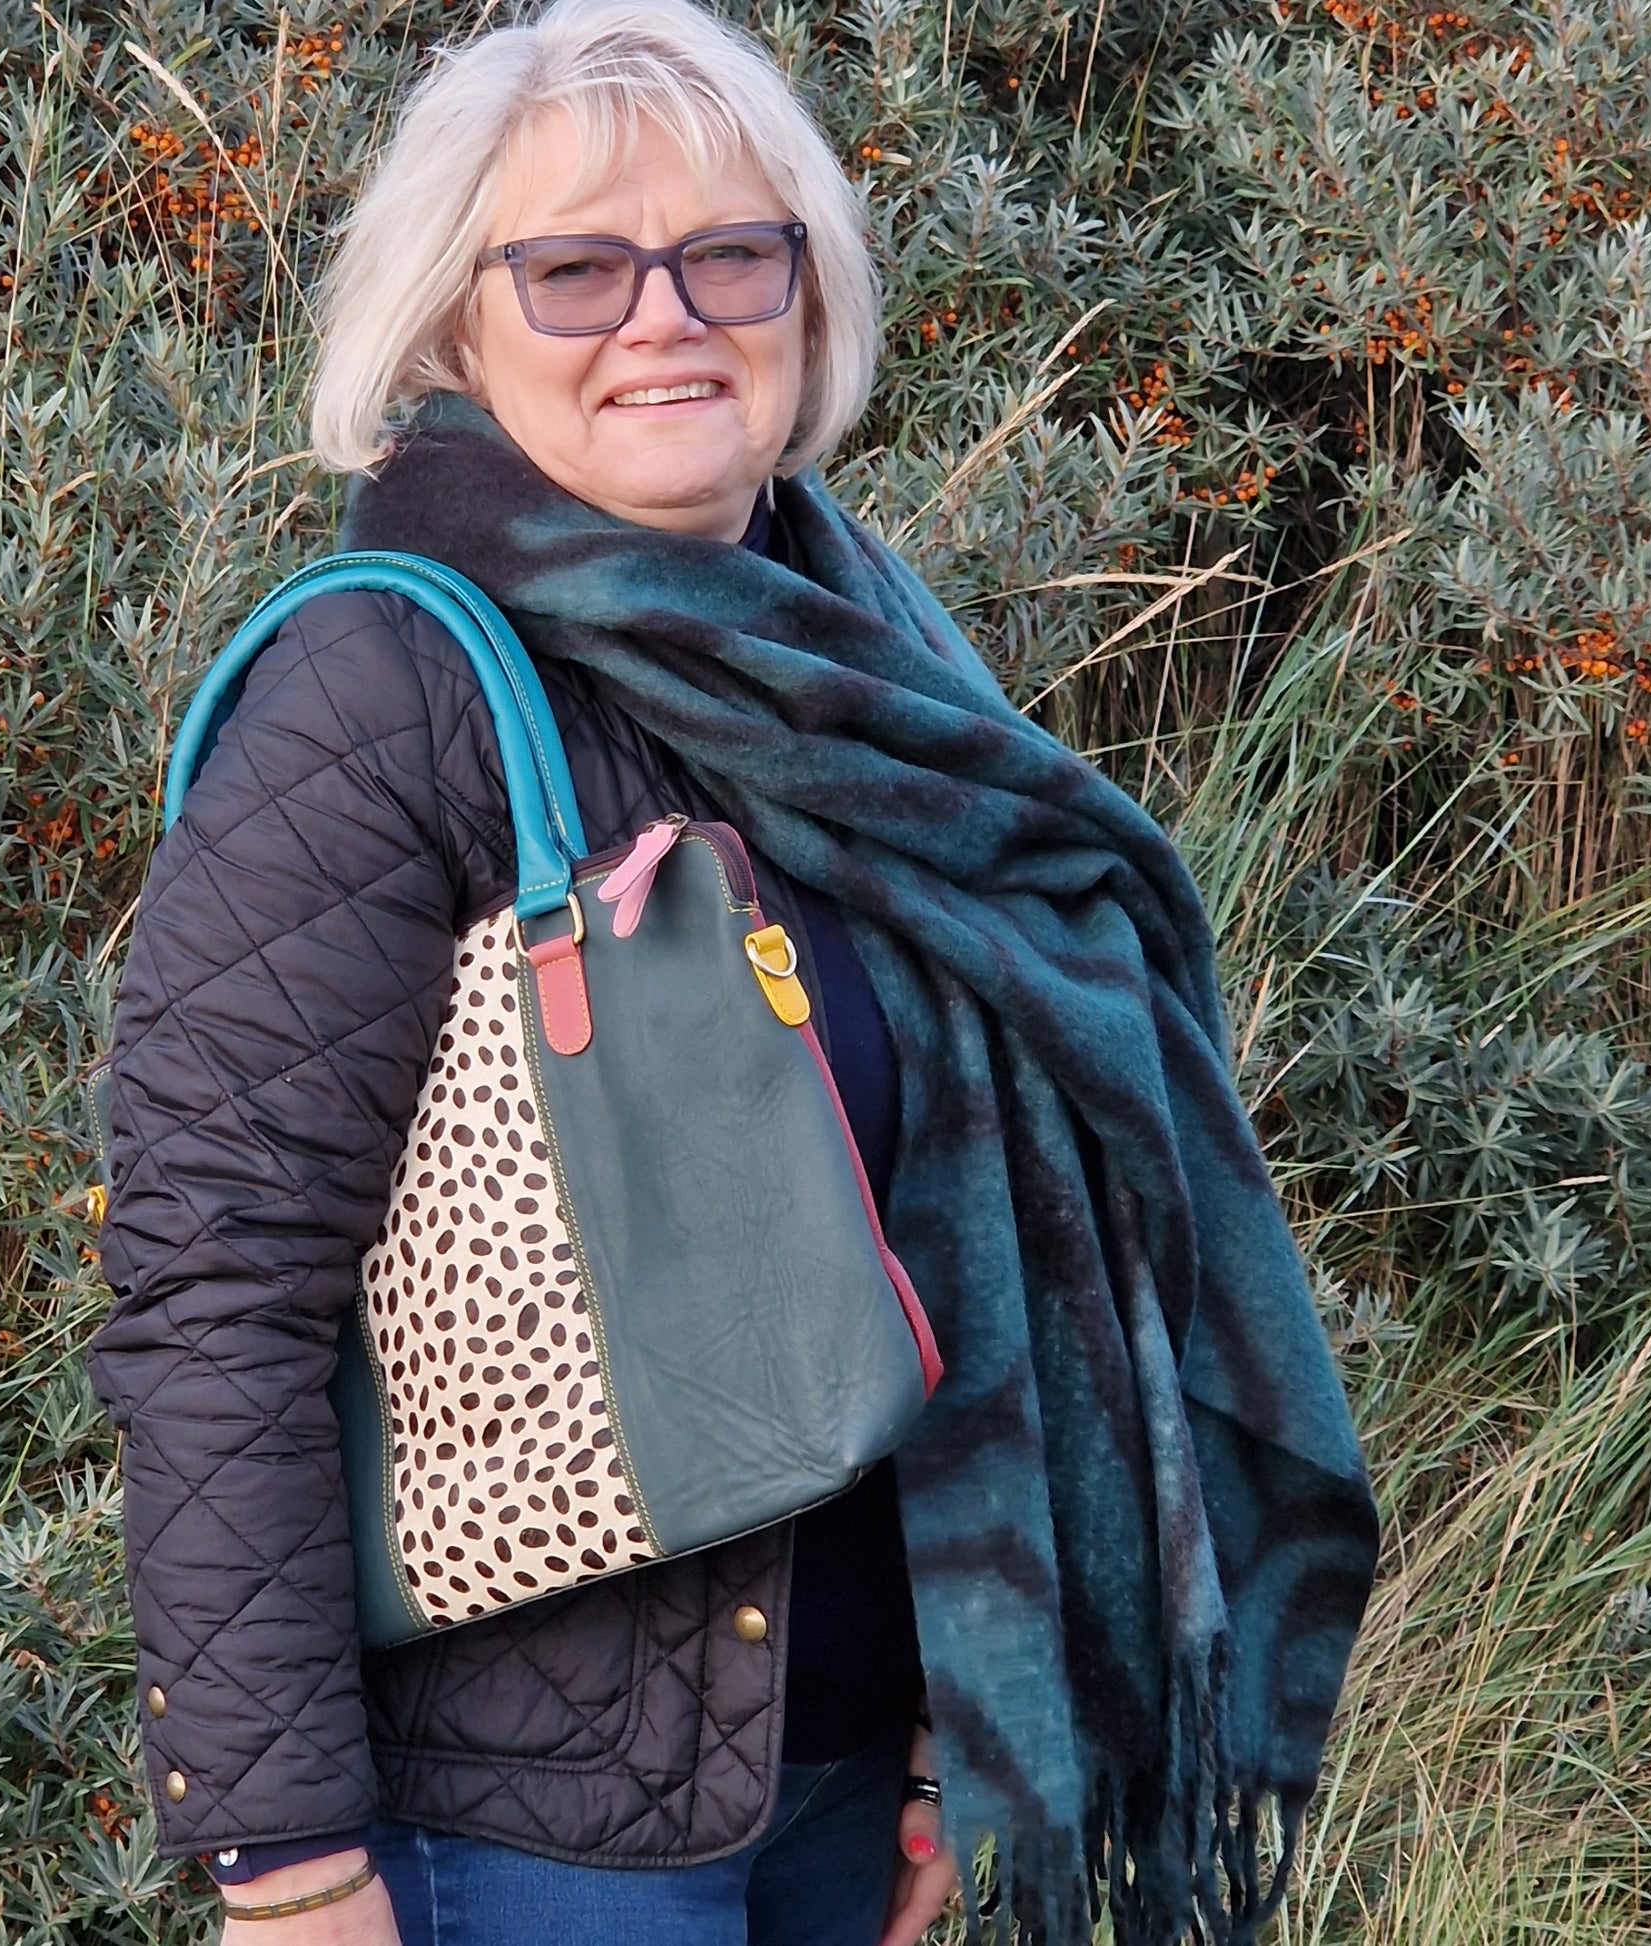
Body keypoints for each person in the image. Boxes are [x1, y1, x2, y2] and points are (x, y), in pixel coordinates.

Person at [88, 2, 1378, 1942]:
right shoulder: (383, 692)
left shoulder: (870, 674)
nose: (663, 315)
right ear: (454, 322)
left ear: (809, 292)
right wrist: (284, 1856)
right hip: (525, 1827)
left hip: (851, 1778)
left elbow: (963, 1238)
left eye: (729, 253)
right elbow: (214, 1285)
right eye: (576, 266)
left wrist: (967, 1730)